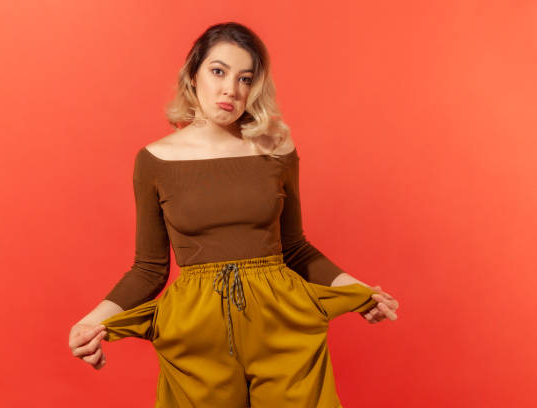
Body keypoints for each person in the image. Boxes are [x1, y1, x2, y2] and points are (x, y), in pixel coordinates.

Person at [69, 21, 399, 407]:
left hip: (280, 324)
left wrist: (361, 293)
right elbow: (148, 268)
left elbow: (295, 248)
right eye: (218, 71)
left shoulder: (276, 147)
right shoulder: (155, 160)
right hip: (197, 334)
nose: (231, 89)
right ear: (194, 75)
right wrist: (91, 320)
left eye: (245, 78)